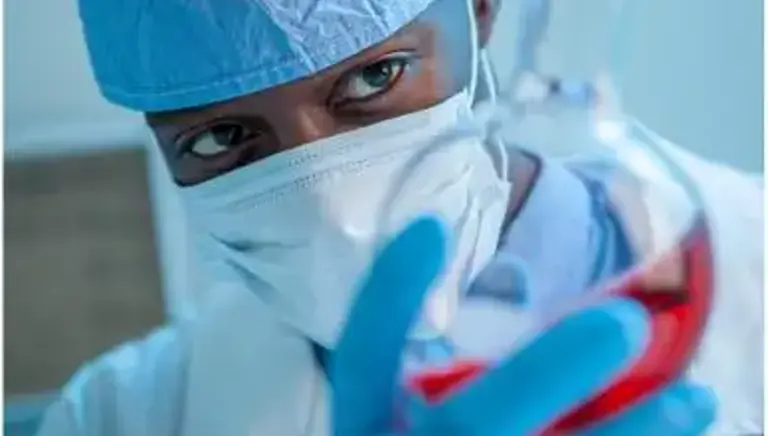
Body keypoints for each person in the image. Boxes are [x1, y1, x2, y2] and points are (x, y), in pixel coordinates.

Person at [37, 0, 761, 434]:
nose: (330, 208)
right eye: (220, 139)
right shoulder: (117, 417)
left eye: (373, 77)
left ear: (478, 9)